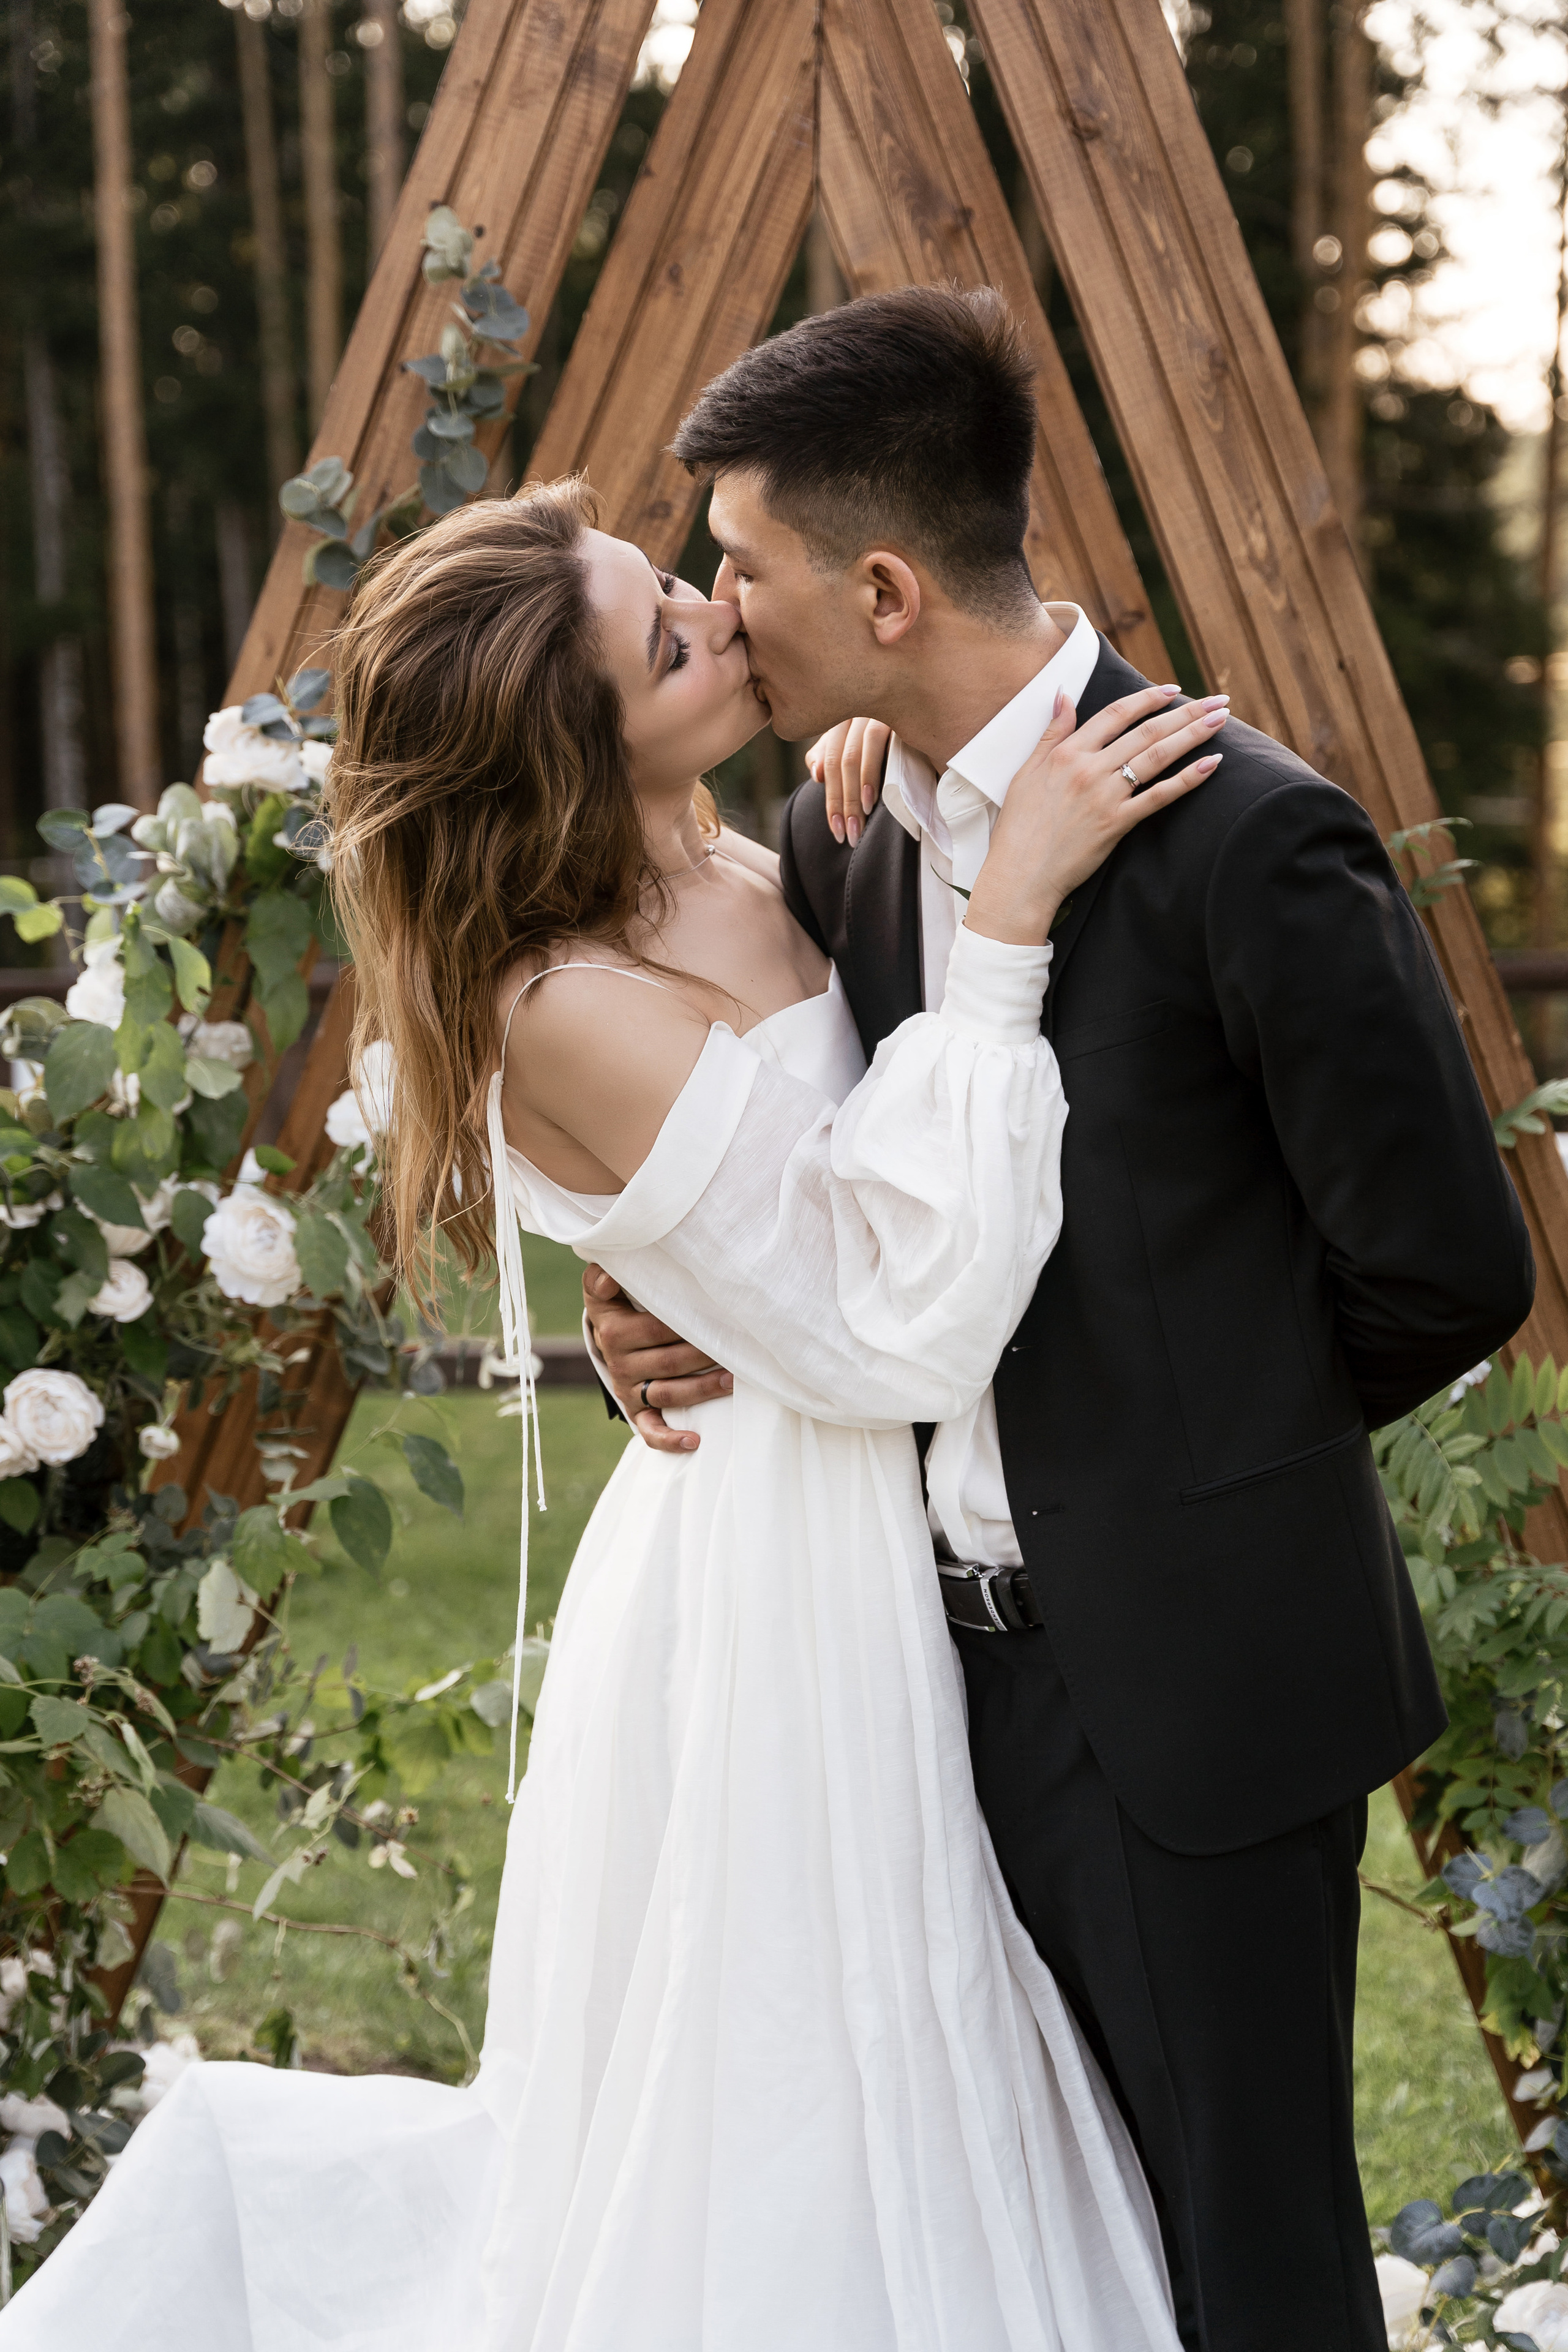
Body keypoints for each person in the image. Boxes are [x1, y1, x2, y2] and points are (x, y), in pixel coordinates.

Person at [0, 469, 1224, 2348]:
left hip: (852, 1507)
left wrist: (877, 822)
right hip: (781, 1582)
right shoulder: (561, 995)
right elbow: (888, 1336)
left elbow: (778, 1186)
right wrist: (1009, 921)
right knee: (811, 2065)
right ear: (570, 755)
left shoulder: (733, 850)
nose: (720, 616)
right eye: (663, 640)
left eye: (671, 583)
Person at [582, 284, 1537, 2351]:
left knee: (1244, 2249)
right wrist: (665, 1309)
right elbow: (841, 1194)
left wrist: (1179, 1450)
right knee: (1036, 2254)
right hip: (908, 1686)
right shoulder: (843, 823)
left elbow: (1452, 1268)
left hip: (1191, 1691)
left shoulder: (1250, 838)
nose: (718, 611)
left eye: (741, 569)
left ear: (888, 585)